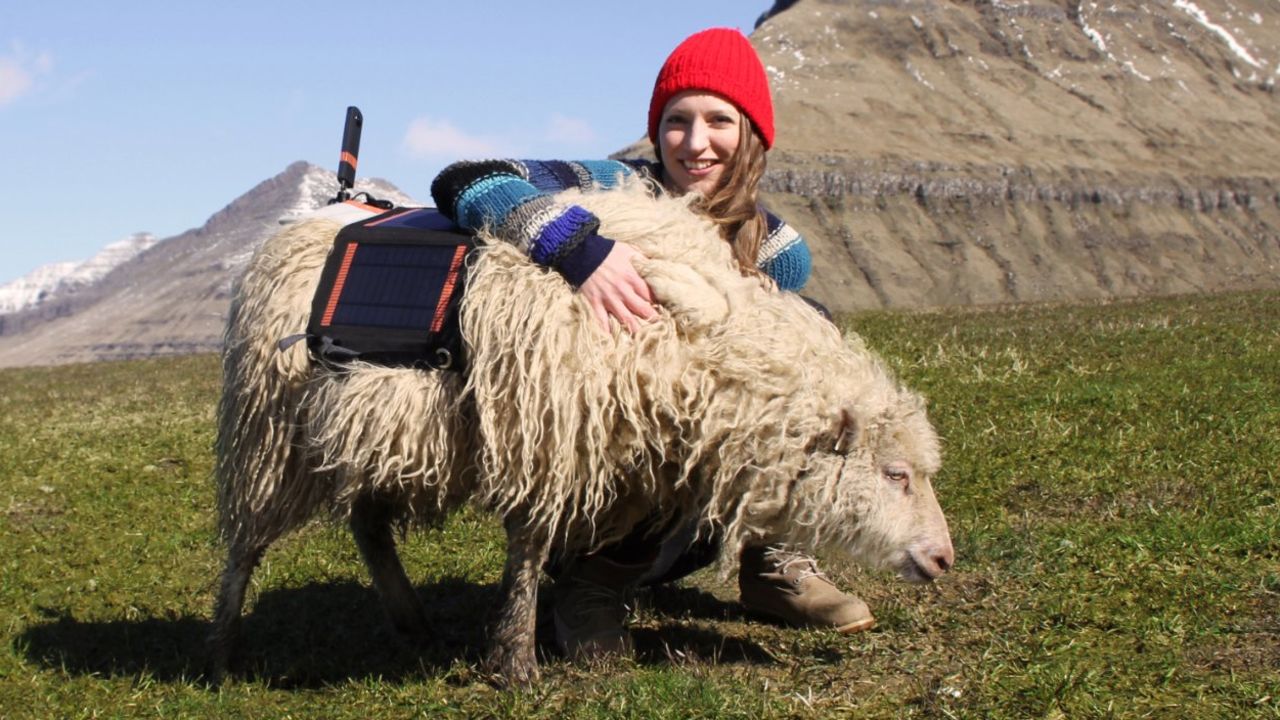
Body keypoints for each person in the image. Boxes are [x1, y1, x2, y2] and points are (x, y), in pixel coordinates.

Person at [430, 27, 873, 660]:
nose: (695, 144)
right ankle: (591, 583)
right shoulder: (615, 185)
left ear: (752, 133)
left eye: (719, 120)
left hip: (696, 482)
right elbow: (468, 179)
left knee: (804, 362)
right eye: (676, 121)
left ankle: (770, 562)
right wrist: (579, 250)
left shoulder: (775, 251)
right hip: (603, 455)